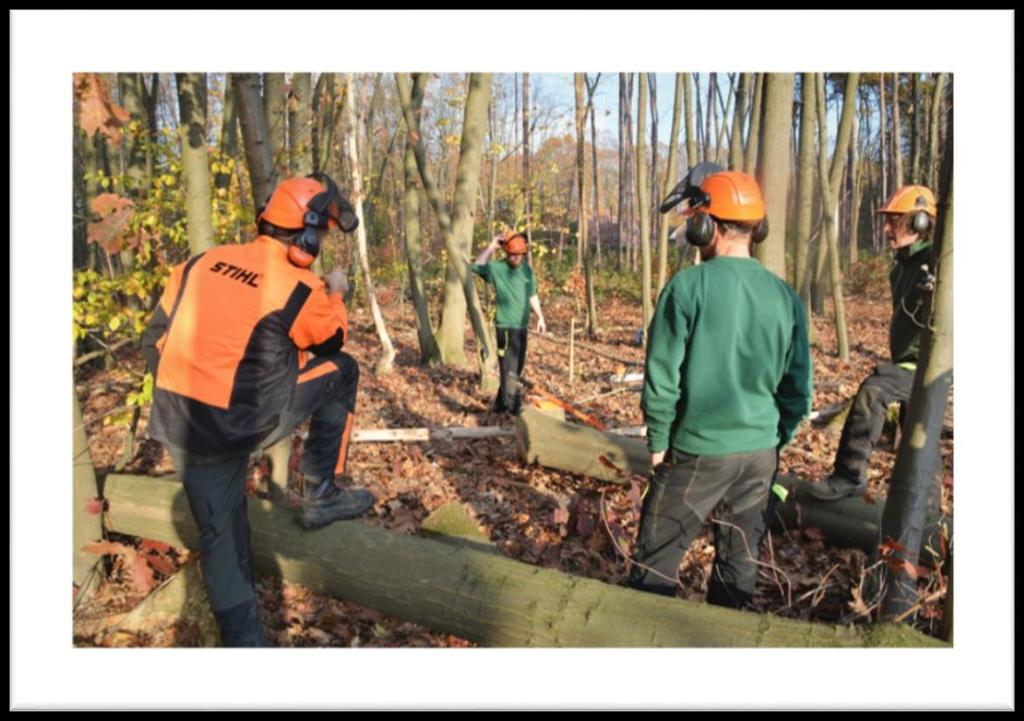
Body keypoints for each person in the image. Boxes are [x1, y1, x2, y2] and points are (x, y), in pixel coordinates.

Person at [142, 173, 375, 646]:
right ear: (306, 235)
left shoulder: (201, 262)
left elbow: (155, 336)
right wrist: (334, 293)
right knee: (344, 370)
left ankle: (245, 645)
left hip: (178, 419)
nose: (323, 242)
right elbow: (332, 340)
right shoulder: (300, 287)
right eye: (322, 234)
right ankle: (321, 493)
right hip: (244, 423)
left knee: (221, 538)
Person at [629, 170, 813, 610]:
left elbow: (662, 374)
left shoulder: (687, 288)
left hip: (700, 450)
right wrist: (774, 437)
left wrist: (658, 440)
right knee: (739, 565)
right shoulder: (785, 296)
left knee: (655, 560)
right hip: (760, 455)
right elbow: (798, 389)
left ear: (705, 225)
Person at [805, 184, 938, 501]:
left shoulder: (939, 259)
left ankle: (849, 475)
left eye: (896, 220)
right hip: (908, 360)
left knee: (872, 392)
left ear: (920, 222)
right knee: (919, 429)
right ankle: (929, 506)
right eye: (888, 220)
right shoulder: (901, 266)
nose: (887, 228)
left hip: (928, 363)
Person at [471, 232, 547, 415]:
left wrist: (540, 316)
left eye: (520, 254)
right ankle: (512, 409)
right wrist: (491, 246)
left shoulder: (527, 271)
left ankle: (499, 405)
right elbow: (475, 266)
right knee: (508, 368)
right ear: (506, 253)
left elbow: (532, 295)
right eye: (513, 254)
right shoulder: (497, 268)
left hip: (521, 327)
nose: (516, 258)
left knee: (517, 367)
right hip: (505, 327)